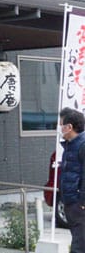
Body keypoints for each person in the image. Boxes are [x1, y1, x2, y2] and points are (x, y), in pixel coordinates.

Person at [59, 107, 85, 253]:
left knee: (79, 246)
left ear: (69, 127)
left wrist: (82, 202)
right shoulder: (71, 145)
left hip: (79, 204)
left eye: (61, 124)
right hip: (72, 202)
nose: (60, 128)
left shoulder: (82, 145)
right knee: (78, 240)